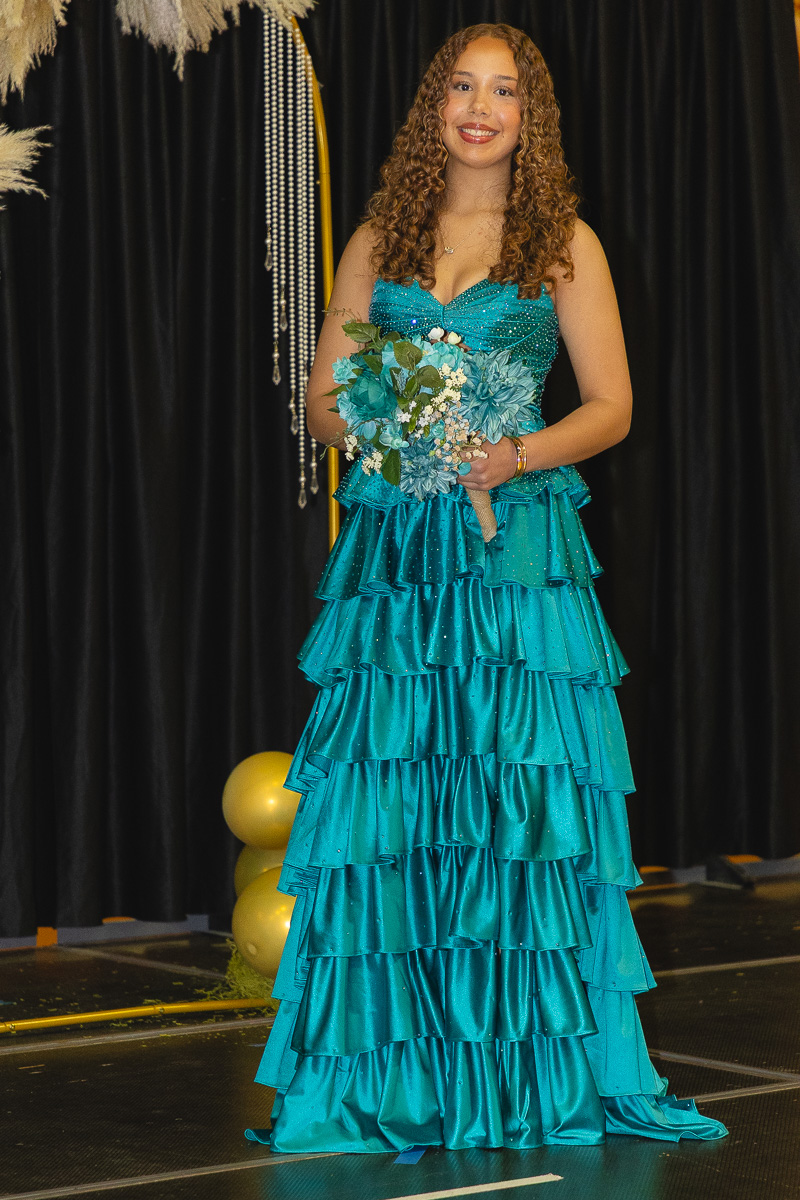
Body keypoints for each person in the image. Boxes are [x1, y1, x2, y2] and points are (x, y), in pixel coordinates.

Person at [246, 23, 728, 1152]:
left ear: (528, 117)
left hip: (514, 554)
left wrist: (510, 455)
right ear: (435, 107)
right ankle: (396, 1078)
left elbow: (610, 407)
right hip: (400, 564)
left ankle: (522, 1075)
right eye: (461, 87)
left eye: (502, 91)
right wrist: (398, 426)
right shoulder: (380, 237)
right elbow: (323, 404)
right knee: (398, 806)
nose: (479, 107)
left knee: (514, 806)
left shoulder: (562, 242)